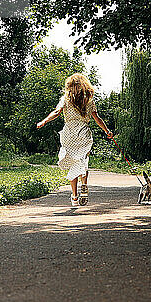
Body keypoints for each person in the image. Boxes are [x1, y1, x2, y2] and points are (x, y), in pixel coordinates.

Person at [37, 73, 113, 206]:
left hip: (69, 133)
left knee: (73, 163)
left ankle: (75, 196)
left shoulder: (66, 99)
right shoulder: (89, 100)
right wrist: (107, 131)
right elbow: (97, 118)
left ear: (70, 86)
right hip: (84, 132)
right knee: (83, 161)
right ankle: (84, 184)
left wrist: (44, 121)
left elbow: (56, 112)